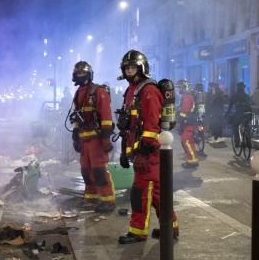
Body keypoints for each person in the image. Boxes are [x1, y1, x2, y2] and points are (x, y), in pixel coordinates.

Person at [116, 50, 179, 244]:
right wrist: (125, 152)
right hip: (141, 152)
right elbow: (130, 125)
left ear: (142, 68)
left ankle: (138, 232)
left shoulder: (148, 90)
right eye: (127, 68)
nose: (129, 71)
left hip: (149, 154)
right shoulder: (132, 90)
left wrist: (144, 152)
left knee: (140, 193)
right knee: (158, 194)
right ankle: (171, 228)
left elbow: (151, 124)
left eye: (133, 67)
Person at [69, 61, 116, 213]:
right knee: (85, 170)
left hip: (96, 138)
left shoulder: (98, 91)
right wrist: (75, 134)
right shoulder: (78, 92)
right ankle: (91, 197)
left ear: (89, 74)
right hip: (84, 138)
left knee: (99, 171)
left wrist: (105, 138)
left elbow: (106, 116)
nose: (81, 75)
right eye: (78, 73)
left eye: (83, 73)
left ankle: (108, 200)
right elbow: (77, 115)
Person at [176, 79, 199, 168]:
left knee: (187, 142)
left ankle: (192, 162)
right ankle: (190, 160)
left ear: (183, 87)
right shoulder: (187, 96)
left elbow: (185, 110)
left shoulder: (187, 96)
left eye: (179, 87)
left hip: (188, 123)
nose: (178, 89)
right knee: (187, 142)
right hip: (188, 123)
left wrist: (179, 122)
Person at [224, 82, 252, 147]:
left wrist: (226, 115)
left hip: (239, 114)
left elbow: (229, 108)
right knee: (246, 124)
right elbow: (250, 104)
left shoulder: (234, 96)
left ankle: (237, 139)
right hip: (248, 113)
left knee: (235, 125)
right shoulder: (247, 96)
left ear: (236, 88)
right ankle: (248, 137)